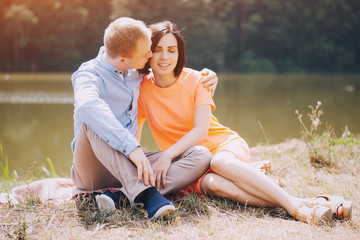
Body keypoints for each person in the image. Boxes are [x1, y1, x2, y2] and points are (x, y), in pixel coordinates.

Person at [136, 20, 352, 224]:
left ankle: (295, 206)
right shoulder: (140, 89)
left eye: (171, 50)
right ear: (148, 52)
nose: (164, 56)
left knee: (219, 163)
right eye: (158, 49)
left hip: (222, 148)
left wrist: (166, 155)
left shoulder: (197, 80)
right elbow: (134, 133)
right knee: (213, 184)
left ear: (179, 53)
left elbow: (201, 131)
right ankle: (316, 203)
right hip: (190, 165)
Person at [70, 17, 217, 220]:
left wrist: (207, 76)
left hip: (128, 163)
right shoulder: (88, 74)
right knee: (93, 120)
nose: (150, 56)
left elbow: (170, 73)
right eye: (147, 52)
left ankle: (121, 196)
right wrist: (132, 148)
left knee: (200, 155)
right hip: (94, 169)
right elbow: (87, 106)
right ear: (124, 59)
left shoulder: (134, 71)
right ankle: (148, 195)